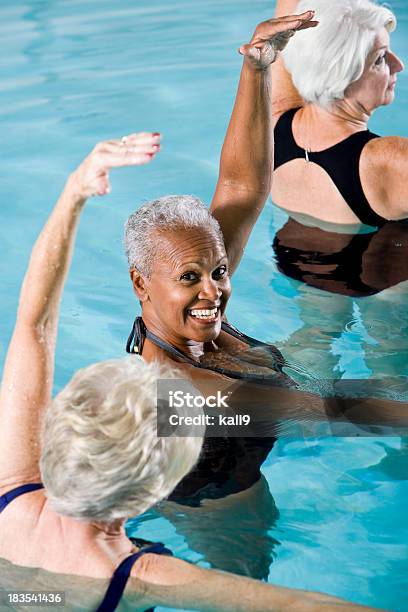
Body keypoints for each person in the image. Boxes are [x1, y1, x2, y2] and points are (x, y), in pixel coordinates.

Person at [2, 11, 374, 612]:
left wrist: (255, 69)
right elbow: (359, 411)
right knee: (253, 572)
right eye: (191, 277)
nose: (213, 289)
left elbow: (240, 190)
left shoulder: (14, 496)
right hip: (223, 503)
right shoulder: (143, 560)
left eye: (217, 272)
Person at [270, 0, 406, 226]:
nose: (398, 64)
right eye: (380, 59)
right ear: (342, 77)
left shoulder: (274, 125)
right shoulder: (388, 163)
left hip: (281, 260)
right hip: (371, 260)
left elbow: (285, 22)